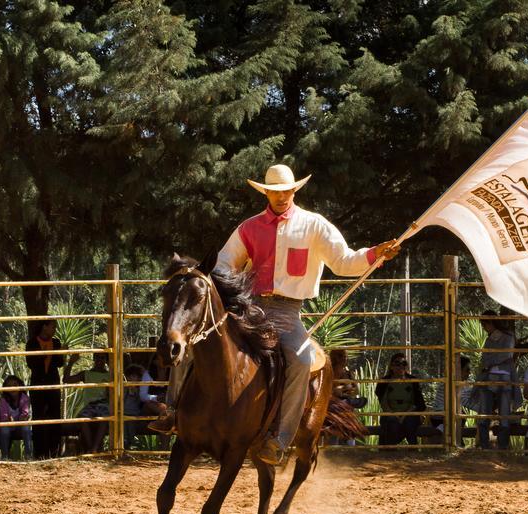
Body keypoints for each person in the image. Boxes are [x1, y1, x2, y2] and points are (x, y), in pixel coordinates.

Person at [155, 163, 399, 465]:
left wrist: (376, 253)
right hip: (249, 306)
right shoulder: (249, 228)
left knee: (299, 361)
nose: (280, 196)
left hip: (287, 312)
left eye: (285, 191)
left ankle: (279, 439)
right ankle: (174, 414)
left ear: (294, 190)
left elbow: (344, 261)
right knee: (195, 342)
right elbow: (223, 265)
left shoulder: (314, 225)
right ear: (266, 192)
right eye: (274, 191)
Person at [476, 309, 516, 449]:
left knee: (504, 414)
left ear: (491, 322)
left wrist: (489, 364)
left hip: (503, 378)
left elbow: (505, 356)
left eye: (485, 323)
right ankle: (484, 446)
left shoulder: (508, 336)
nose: (483, 327)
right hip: (489, 378)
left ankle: (503, 447)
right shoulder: (489, 338)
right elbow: (487, 359)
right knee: (484, 413)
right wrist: (489, 363)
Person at [25, 319, 65, 459]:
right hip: (38, 383)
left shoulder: (56, 342)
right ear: (44, 326)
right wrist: (45, 355)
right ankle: (39, 453)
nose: (54, 329)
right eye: (53, 326)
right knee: (38, 417)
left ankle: (54, 452)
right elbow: (31, 363)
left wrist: (58, 353)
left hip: (53, 383)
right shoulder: (32, 343)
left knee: (55, 416)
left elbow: (60, 363)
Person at [374, 353, 425, 446]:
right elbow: (383, 402)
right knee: (392, 423)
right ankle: (390, 453)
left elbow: (419, 403)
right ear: (391, 366)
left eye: (404, 363)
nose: (401, 366)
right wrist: (395, 415)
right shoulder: (384, 382)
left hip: (410, 413)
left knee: (410, 423)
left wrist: (405, 415)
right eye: (397, 363)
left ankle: (413, 452)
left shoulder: (413, 381)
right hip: (390, 413)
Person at [64, 352, 110, 453]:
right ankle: (90, 448)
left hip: (104, 405)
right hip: (90, 406)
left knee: (104, 420)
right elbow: (66, 379)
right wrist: (71, 362)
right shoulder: (87, 374)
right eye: (97, 357)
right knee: (83, 419)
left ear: (106, 360)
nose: (99, 360)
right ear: (94, 359)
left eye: (102, 358)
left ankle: (94, 448)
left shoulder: (110, 375)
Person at [430, 355, 474, 445]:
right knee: (458, 415)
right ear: (459, 370)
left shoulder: (456, 383)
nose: (469, 373)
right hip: (441, 417)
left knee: (459, 414)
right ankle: (451, 441)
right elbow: (467, 402)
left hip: (443, 417)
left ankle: (453, 441)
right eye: (467, 370)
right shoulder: (455, 384)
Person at [329, 349, 365, 446]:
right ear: (334, 358)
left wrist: (344, 391)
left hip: (346, 402)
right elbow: (326, 390)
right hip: (332, 404)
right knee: (340, 413)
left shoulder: (349, 373)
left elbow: (356, 390)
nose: (345, 358)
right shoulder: (328, 373)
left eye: (345, 356)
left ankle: (350, 446)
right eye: (341, 356)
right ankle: (334, 446)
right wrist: (338, 390)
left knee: (349, 412)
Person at [0, 374, 34, 459]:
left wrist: (22, 418)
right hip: (8, 423)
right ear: (5, 388)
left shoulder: (24, 398)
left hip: (20, 423)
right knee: (4, 430)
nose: (12, 388)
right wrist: (8, 419)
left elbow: (25, 413)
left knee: (26, 428)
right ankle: (5, 456)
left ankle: (28, 455)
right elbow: (3, 415)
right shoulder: (3, 400)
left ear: (20, 386)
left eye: (15, 385)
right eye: (9, 386)